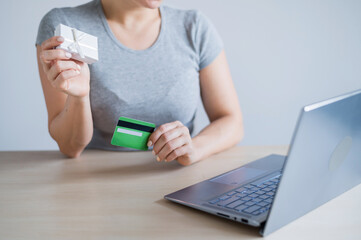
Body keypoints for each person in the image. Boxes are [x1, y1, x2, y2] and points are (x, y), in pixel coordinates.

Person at [36, 0, 244, 165]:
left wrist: (194, 148)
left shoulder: (195, 27)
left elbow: (232, 122)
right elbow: (70, 147)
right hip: (97, 180)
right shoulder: (64, 27)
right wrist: (79, 97)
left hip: (178, 175)